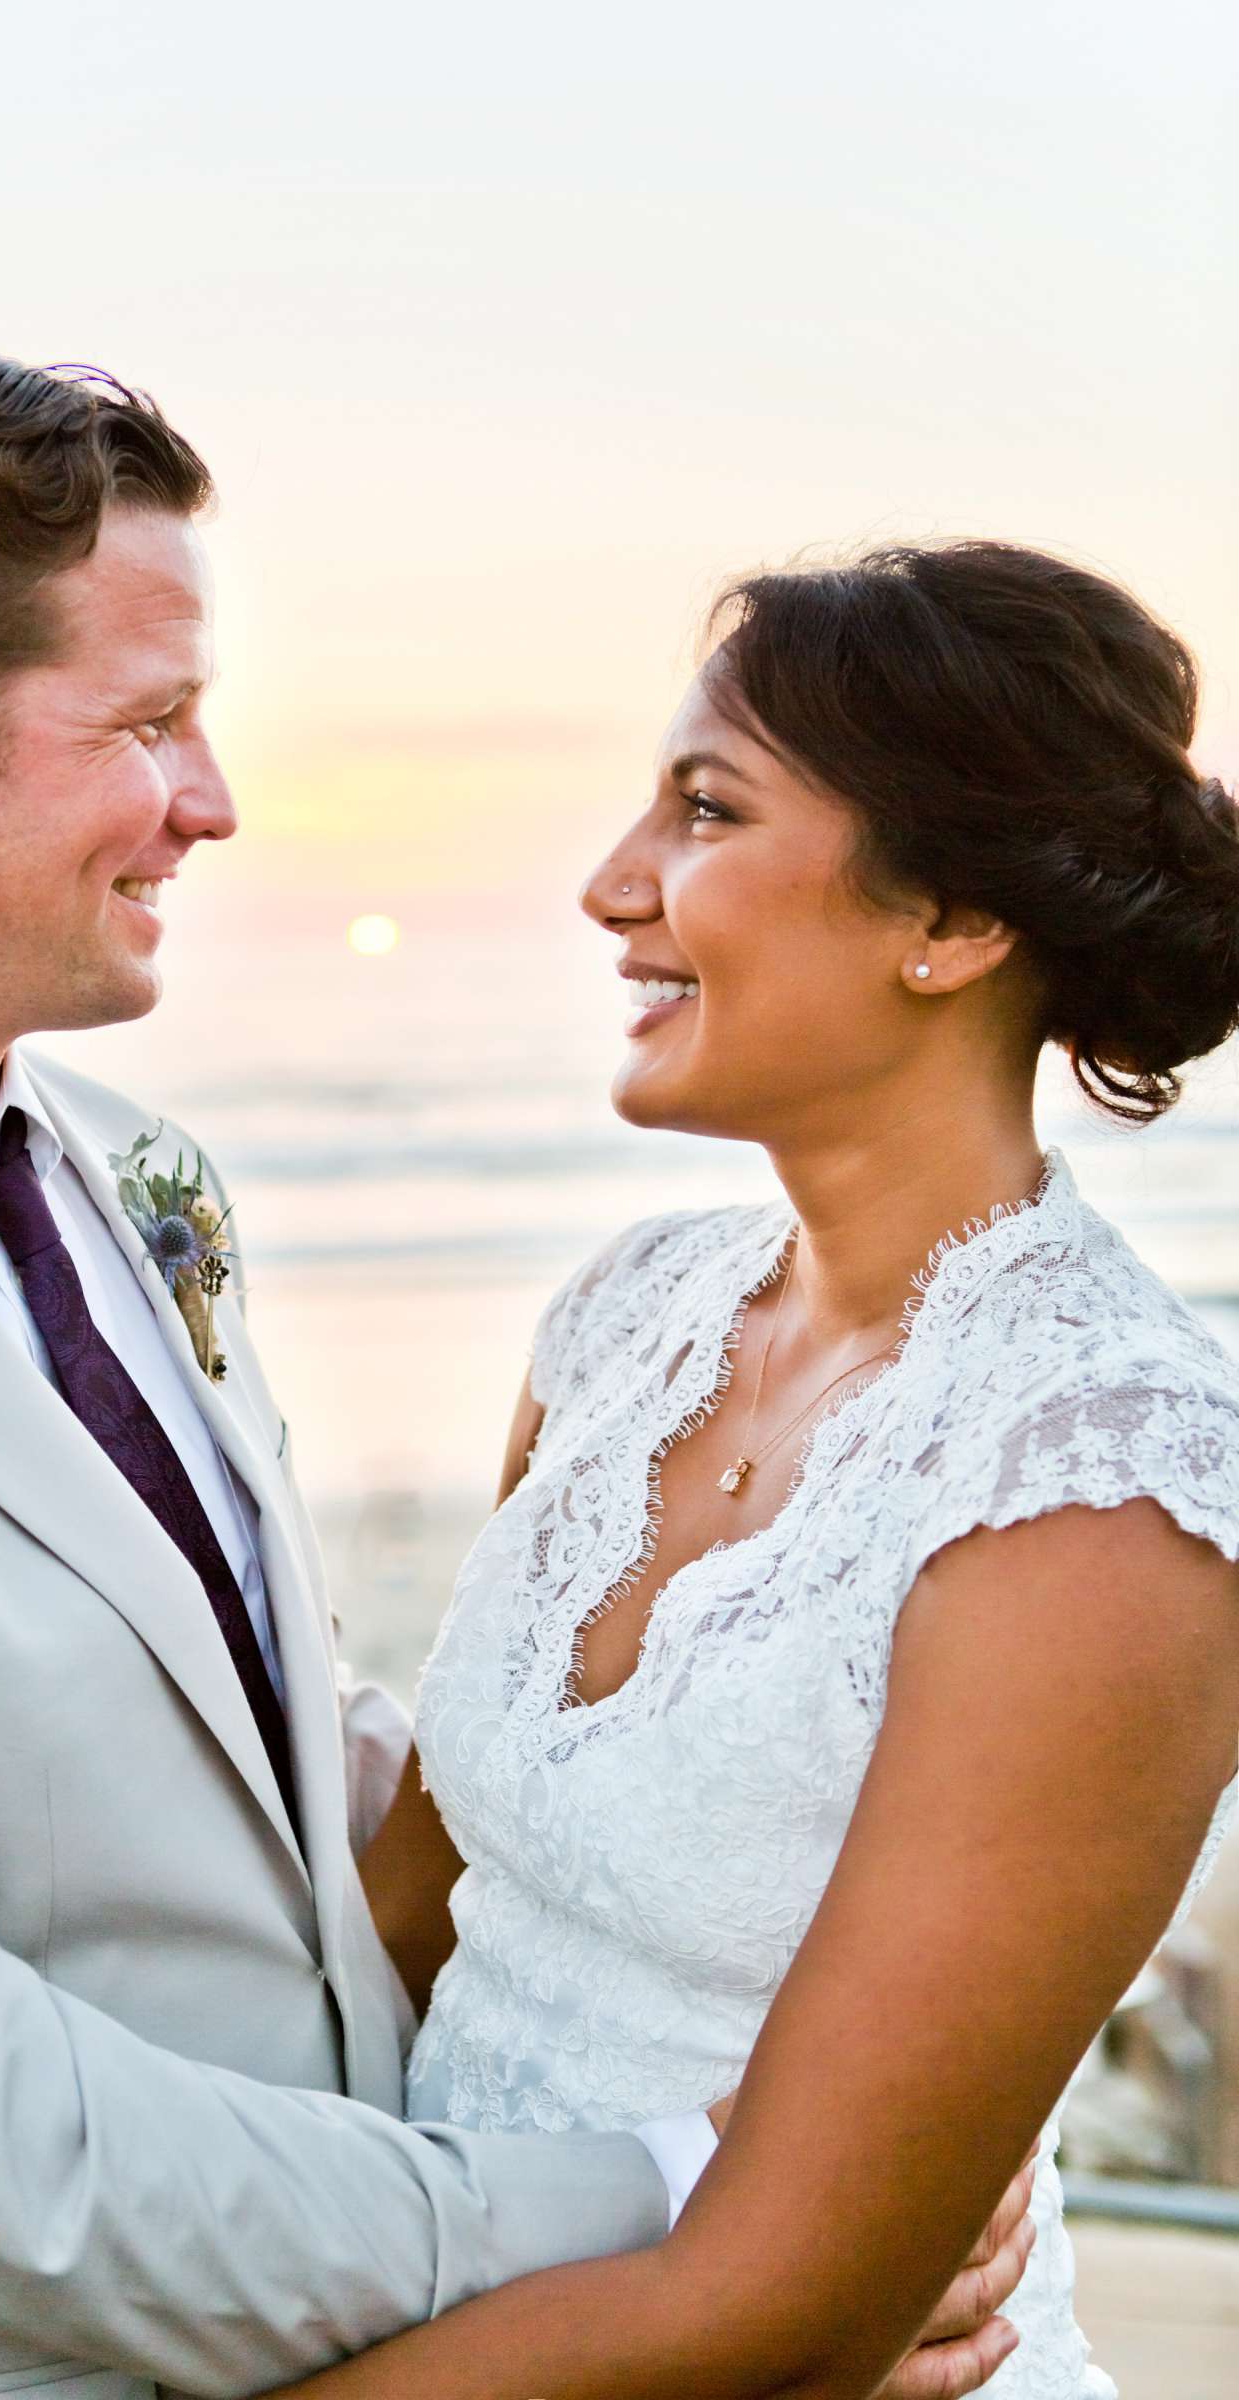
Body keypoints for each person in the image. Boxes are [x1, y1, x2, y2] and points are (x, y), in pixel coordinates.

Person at [0, 339, 1024, 2400]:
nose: (210, 802)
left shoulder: (129, 1171)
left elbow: (238, 1729)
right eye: (150, 724)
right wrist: (691, 2226)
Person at [258, 541, 1239, 2398]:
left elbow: (786, 2304)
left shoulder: (1100, 1501)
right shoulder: (629, 1320)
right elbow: (402, 1938)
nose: (609, 882)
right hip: (433, 2320)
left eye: (702, 810)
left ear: (946, 917)